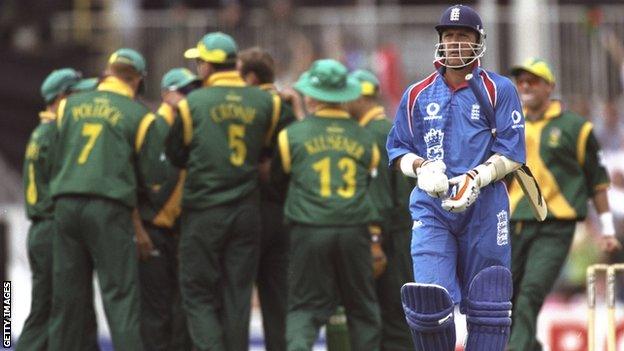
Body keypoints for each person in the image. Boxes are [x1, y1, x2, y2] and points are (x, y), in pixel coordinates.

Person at [386, 5, 526, 350]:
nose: (456, 43)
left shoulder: (499, 89)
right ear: (440, 42)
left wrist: (477, 178)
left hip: (486, 205)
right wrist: (421, 168)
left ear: (478, 41)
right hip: (432, 207)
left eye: (464, 36)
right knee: (430, 304)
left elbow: (512, 151)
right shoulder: (417, 94)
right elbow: (397, 149)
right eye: (449, 36)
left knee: (489, 306)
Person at [166, 32, 284, 351]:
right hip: (247, 210)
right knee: (238, 296)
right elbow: (268, 151)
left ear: (206, 66)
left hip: (204, 211)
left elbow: (175, 154)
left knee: (198, 293)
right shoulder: (266, 102)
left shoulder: (193, 104)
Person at [507, 57, 622, 351]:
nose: (525, 86)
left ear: (550, 86)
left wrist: (607, 229)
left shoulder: (575, 128)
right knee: (505, 296)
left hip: (554, 224)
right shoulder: (510, 124)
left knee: (530, 291)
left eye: (533, 80)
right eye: (521, 80)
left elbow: (597, 181)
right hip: (513, 221)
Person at [48, 48, 155, 351]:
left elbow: (58, 155)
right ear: (137, 81)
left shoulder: (68, 106)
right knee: (120, 299)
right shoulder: (140, 115)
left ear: (107, 72)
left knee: (66, 302)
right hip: (110, 207)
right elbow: (149, 177)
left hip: (66, 205)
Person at [272, 59, 382, 351]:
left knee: (304, 308)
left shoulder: (290, 136)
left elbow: (277, 180)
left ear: (311, 96)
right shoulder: (365, 136)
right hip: (354, 229)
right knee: (362, 309)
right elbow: (369, 179)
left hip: (309, 229)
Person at [17, 68, 99, 351]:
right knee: (54, 311)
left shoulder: (42, 130)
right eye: (77, 94)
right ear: (62, 97)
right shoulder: (55, 132)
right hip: (52, 227)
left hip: (43, 228)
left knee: (60, 309)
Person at [347, 69, 415, 351]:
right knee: (399, 316)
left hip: (389, 239)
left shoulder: (372, 134)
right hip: (403, 235)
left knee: (391, 319)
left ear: (361, 98)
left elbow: (379, 199)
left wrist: (375, 242)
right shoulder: (389, 128)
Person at [237, 46, 297, 351]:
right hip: (281, 210)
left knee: (236, 297)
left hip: (246, 208)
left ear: (249, 76)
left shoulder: (244, 106)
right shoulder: (285, 107)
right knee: (277, 300)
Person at [136, 67, 199, 351]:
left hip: (185, 231)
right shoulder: (151, 127)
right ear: (166, 94)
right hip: (156, 229)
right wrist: (139, 228)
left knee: (184, 308)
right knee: (157, 312)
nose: (189, 97)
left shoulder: (194, 128)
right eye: (183, 91)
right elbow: (138, 182)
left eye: (192, 91)